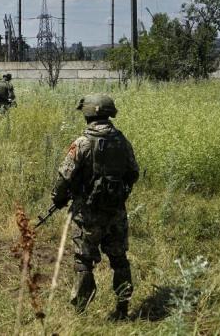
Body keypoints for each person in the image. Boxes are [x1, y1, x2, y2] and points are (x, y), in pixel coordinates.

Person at [50, 94, 140, 320]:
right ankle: (123, 309)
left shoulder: (82, 143)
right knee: (119, 260)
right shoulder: (122, 140)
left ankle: (80, 313)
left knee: (83, 262)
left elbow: (64, 178)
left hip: (87, 215)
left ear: (88, 113)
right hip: (116, 212)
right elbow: (133, 172)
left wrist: (58, 199)